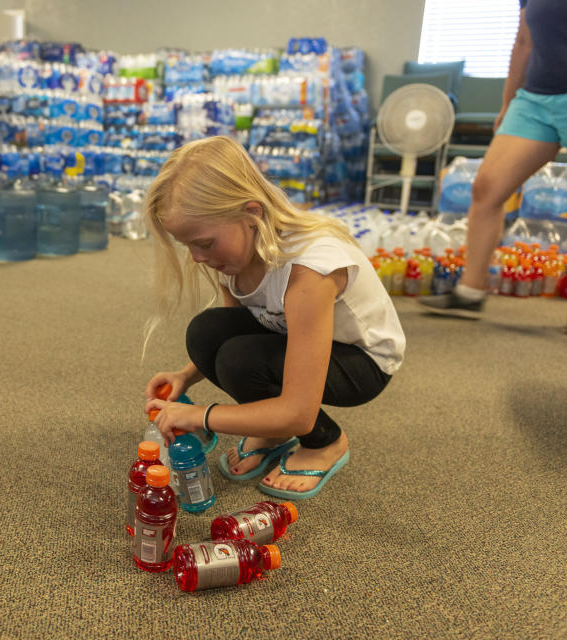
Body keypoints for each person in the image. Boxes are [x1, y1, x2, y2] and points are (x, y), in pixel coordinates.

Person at [142, 136, 406, 501]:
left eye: (203, 243)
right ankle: (272, 428)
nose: (197, 257)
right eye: (187, 245)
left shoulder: (309, 272)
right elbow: (232, 328)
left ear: (251, 213)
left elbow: (298, 411)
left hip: (361, 362)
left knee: (241, 362)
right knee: (207, 334)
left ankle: (325, 443)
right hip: (294, 339)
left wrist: (201, 417)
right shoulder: (233, 256)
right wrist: (184, 377)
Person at [418, 0, 567, 335]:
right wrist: (509, 102)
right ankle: (470, 290)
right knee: (486, 187)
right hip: (535, 98)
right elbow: (524, 40)